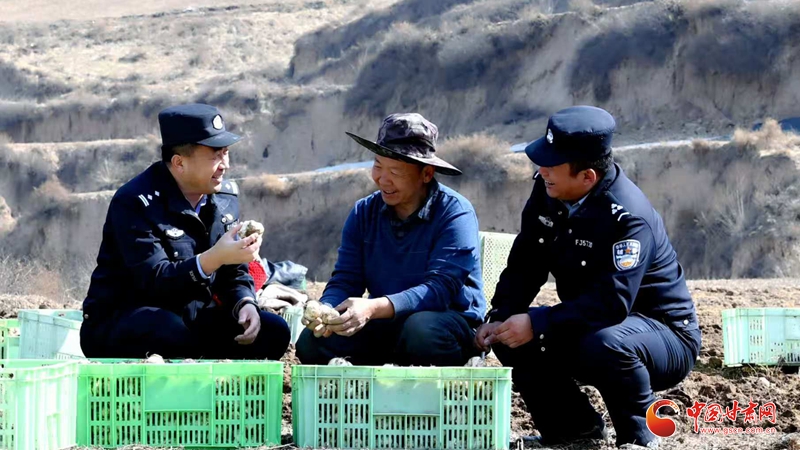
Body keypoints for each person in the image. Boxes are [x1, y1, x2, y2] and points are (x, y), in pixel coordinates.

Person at [475, 106, 701, 448]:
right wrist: (500, 315)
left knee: (604, 343)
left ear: (587, 177)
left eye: (552, 165)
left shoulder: (628, 217)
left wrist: (537, 322)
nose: (542, 171)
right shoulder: (549, 190)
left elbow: (612, 304)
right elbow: (526, 261)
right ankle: (573, 430)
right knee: (511, 336)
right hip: (591, 324)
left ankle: (640, 436)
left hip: (663, 334)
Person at [80, 103, 290, 360]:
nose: (224, 164)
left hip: (189, 319)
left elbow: (235, 272)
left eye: (225, 153)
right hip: (126, 319)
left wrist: (244, 303)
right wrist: (214, 258)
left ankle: (208, 371)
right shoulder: (135, 202)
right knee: (170, 333)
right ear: (179, 163)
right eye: (214, 156)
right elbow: (155, 281)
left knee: (272, 332)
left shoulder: (225, 198)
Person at [295, 113, 486, 366]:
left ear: (426, 174)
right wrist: (328, 309)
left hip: (443, 322)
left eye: (395, 171)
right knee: (312, 342)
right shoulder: (364, 212)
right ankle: (381, 372)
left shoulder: (455, 213)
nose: (382, 179)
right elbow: (347, 279)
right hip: (384, 322)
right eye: (378, 166)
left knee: (421, 330)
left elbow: (440, 289)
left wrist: (373, 308)